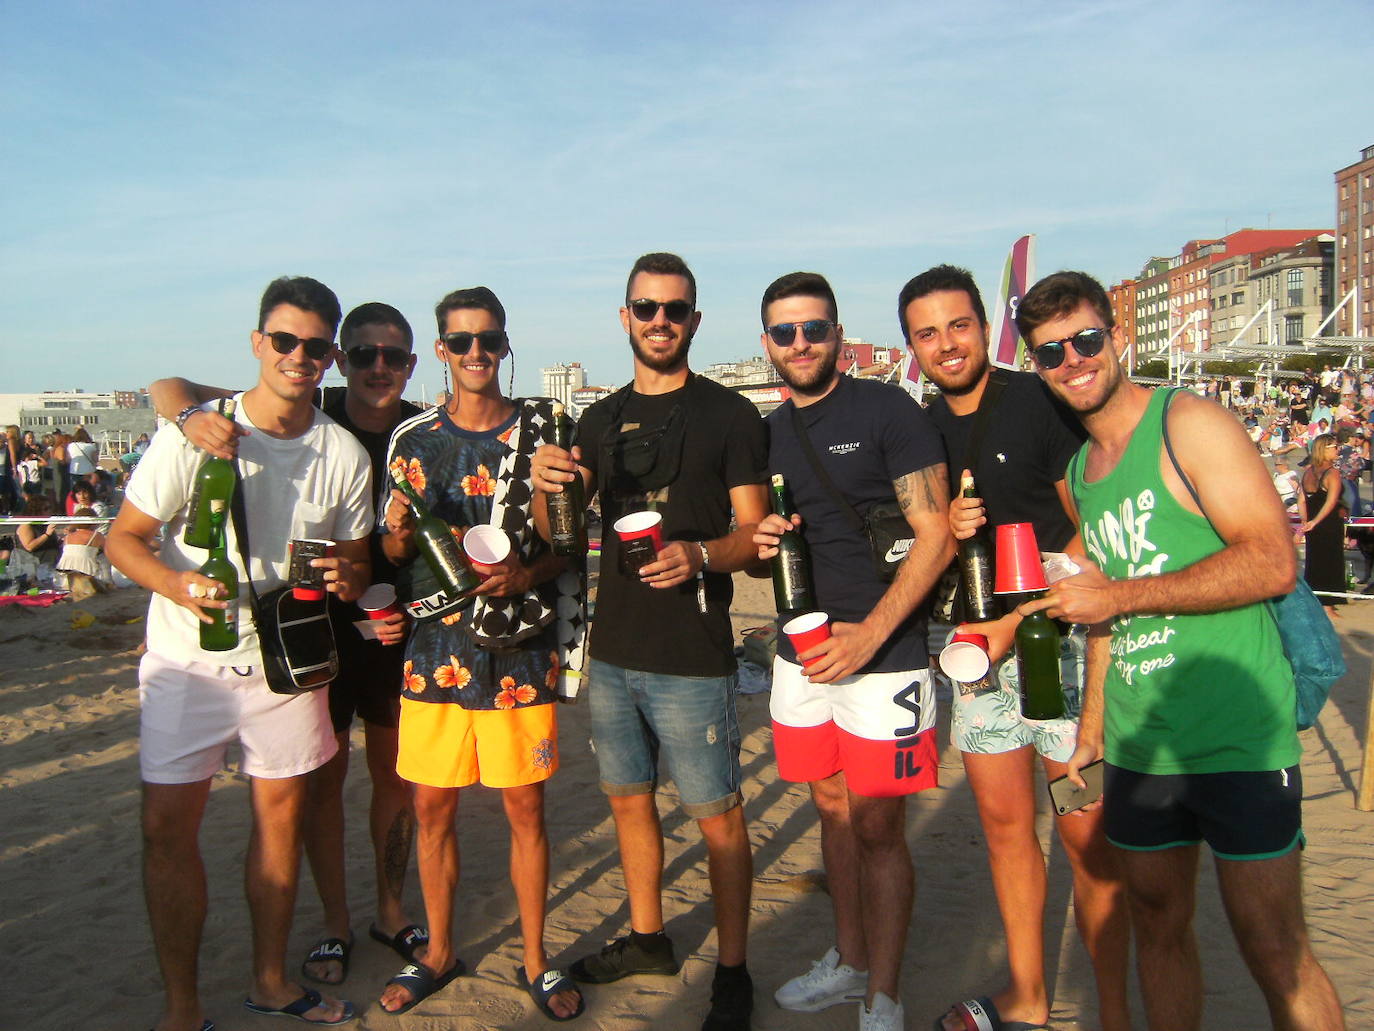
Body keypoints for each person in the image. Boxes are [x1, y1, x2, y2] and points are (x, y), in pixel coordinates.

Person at [1015, 270, 1345, 1031]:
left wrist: (1119, 596)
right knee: (1157, 927)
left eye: (1087, 340)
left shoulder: (1187, 423)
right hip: (1139, 743)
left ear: (1118, 337)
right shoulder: (1080, 473)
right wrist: (1091, 736)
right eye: (1051, 352)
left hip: (1237, 733)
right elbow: (1104, 622)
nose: (1074, 360)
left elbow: (1270, 560)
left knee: (1273, 946)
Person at [106, 275, 373, 1031]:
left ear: (330, 358)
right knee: (166, 826)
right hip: (186, 656)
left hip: (285, 663)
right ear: (259, 343)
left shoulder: (342, 453)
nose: (299, 357)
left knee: (280, 820)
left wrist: (348, 575)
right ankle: (182, 1009)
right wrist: (176, 583)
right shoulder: (197, 432)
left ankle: (271, 980)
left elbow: (354, 565)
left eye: (316, 346)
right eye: (285, 340)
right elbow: (122, 539)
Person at [148, 300, 426, 989]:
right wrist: (186, 415)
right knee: (317, 789)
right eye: (363, 353)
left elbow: (395, 548)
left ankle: (390, 912)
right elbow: (166, 389)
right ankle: (335, 923)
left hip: (389, 625)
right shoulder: (309, 395)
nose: (377, 367)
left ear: (412, 364)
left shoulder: (422, 429)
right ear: (343, 358)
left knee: (395, 779)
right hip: (306, 634)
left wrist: (393, 568)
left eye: (392, 356)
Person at [531, 252, 768, 1031]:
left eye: (674, 309)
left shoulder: (731, 416)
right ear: (624, 317)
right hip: (613, 650)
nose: (659, 320)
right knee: (629, 803)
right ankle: (646, 938)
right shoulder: (596, 422)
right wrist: (545, 485)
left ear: (694, 320)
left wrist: (699, 554)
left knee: (716, 815)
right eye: (645, 307)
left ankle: (732, 972)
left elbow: (754, 535)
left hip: (694, 652)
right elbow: (557, 535)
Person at [900, 264, 1130, 1031]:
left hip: (1064, 648)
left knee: (1083, 832)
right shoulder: (921, 426)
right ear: (912, 346)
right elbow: (915, 538)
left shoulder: (1036, 399)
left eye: (959, 324)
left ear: (984, 325)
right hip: (979, 657)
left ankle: (1116, 1011)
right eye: (927, 333)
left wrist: (1033, 611)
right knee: (1005, 827)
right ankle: (1029, 994)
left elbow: (1091, 532)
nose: (947, 344)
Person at [375, 286, 587, 1021]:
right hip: (434, 654)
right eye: (460, 342)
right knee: (431, 810)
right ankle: (437, 949)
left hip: (518, 653)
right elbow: (394, 553)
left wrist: (525, 572)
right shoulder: (413, 441)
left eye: (488, 340)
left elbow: (568, 546)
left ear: (504, 345)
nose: (475, 354)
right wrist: (399, 529)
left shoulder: (545, 430)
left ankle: (535, 958)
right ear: (440, 350)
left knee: (525, 808)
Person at [751, 272, 953, 1031]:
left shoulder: (885, 410)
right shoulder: (765, 432)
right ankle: (849, 959)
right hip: (800, 651)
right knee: (831, 810)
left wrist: (870, 635)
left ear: (837, 334)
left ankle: (885, 995)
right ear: (765, 342)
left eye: (814, 328)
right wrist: (755, 544)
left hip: (886, 650)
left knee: (878, 826)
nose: (799, 343)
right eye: (784, 332)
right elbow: (752, 546)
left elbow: (934, 536)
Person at [1298, 433, 1346, 619]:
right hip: (1327, 523)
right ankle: (1328, 606)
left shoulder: (1308, 472)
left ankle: (1317, 602)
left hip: (1313, 524)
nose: (1337, 450)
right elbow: (1331, 501)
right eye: (1334, 447)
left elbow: (1302, 500)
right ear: (1324, 450)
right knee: (1331, 561)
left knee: (1315, 562)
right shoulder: (1332, 472)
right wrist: (1315, 521)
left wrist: (1306, 521)